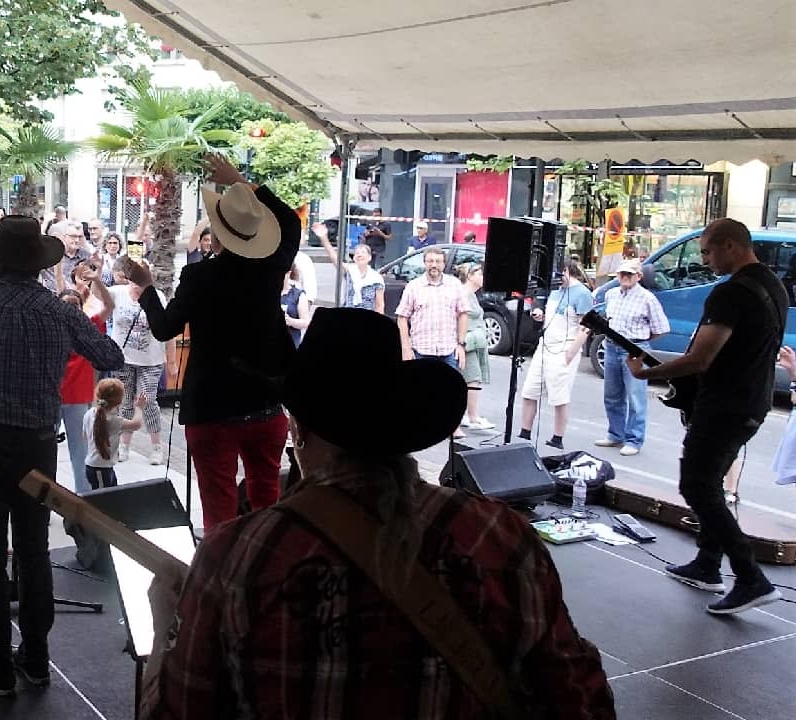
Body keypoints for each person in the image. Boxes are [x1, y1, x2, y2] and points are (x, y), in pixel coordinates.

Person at [138, 307, 615, 719]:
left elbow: (178, 712)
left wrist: (165, 627)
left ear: (299, 432)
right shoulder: (497, 533)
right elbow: (579, 697)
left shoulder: (238, 554)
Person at [0, 215, 124, 696]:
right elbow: (111, 357)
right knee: (33, 552)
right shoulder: (59, 311)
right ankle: (36, 658)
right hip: (36, 445)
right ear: (38, 264)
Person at [127, 153, 299, 531]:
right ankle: (263, 564)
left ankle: (221, 575)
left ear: (218, 233)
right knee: (266, 496)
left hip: (211, 408)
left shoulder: (198, 276)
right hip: (265, 403)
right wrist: (239, 180)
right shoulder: (271, 266)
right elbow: (288, 220)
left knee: (218, 505)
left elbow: (164, 329)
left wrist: (146, 289)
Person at [627, 219, 785, 614]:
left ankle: (750, 577)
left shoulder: (730, 294)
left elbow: (699, 358)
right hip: (754, 400)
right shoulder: (774, 286)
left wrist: (647, 373)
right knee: (711, 482)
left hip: (726, 404)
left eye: (708, 252)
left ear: (730, 246)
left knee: (697, 486)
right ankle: (707, 564)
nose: (705, 261)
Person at [594, 258, 669, 456]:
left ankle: (634, 439)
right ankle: (615, 434)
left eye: (630, 274)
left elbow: (661, 329)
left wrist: (641, 342)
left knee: (636, 397)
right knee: (612, 395)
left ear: (639, 276)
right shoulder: (611, 295)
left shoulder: (648, 298)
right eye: (622, 273)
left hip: (634, 348)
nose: (625, 277)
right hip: (611, 347)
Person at [518, 261, 594, 449]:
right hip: (546, 345)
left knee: (559, 395)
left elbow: (586, 326)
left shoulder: (582, 294)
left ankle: (557, 437)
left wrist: (571, 352)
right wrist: (539, 313)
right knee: (530, 390)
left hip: (565, 347)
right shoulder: (555, 290)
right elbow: (543, 306)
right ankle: (525, 431)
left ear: (568, 272)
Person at [58, 266, 115, 494]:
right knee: (45, 453)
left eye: (76, 305)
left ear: (81, 309)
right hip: (50, 397)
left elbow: (109, 307)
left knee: (80, 452)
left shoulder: (89, 327)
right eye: (67, 306)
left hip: (78, 400)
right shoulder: (49, 330)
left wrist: (97, 280)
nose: (72, 309)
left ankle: (83, 498)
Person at [109, 263, 171, 464]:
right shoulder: (118, 292)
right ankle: (124, 445)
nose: (137, 285)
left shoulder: (157, 296)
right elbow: (99, 296)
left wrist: (171, 360)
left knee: (148, 400)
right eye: (134, 279)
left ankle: (156, 446)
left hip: (150, 360)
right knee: (125, 402)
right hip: (124, 358)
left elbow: (168, 328)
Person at [396, 247, 467, 370]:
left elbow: (463, 314)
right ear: (424, 263)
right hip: (420, 351)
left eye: (438, 261)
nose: (434, 265)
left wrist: (461, 345)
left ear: (444, 264)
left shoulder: (454, 285)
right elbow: (402, 318)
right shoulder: (413, 286)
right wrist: (406, 348)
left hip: (449, 352)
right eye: (430, 261)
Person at [83, 378, 146, 490]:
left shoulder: (89, 413)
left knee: (110, 496)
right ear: (120, 401)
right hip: (101, 468)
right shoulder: (113, 421)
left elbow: (84, 437)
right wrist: (139, 408)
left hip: (96, 466)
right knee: (102, 501)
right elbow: (136, 424)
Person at [456, 262, 495, 436]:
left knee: (468, 379)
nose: (482, 277)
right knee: (473, 378)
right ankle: (473, 416)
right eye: (479, 274)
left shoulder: (472, 294)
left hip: (473, 341)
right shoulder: (464, 294)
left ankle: (465, 414)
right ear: (470, 276)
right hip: (466, 341)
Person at [314, 221, 383, 312]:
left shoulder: (376, 278)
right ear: (354, 258)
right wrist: (324, 238)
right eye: (357, 253)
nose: (359, 255)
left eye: (363, 253)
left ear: (369, 257)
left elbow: (380, 305)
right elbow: (335, 259)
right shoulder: (350, 271)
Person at [280, 262, 311, 347]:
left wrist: (291, 321)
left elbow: (306, 322)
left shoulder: (298, 295)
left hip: (291, 344)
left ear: (288, 274)